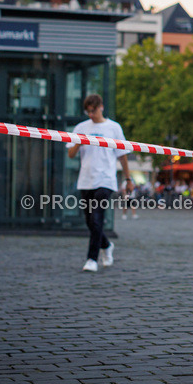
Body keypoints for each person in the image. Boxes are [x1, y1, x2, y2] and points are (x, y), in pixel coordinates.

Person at [67, 94, 133, 272]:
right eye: (87, 111)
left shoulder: (114, 128)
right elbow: (71, 154)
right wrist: (79, 143)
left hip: (106, 180)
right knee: (90, 222)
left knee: (97, 218)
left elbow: (123, 156)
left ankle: (92, 259)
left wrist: (128, 179)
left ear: (101, 107)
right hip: (86, 180)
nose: (91, 115)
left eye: (93, 111)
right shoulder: (81, 127)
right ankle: (106, 245)